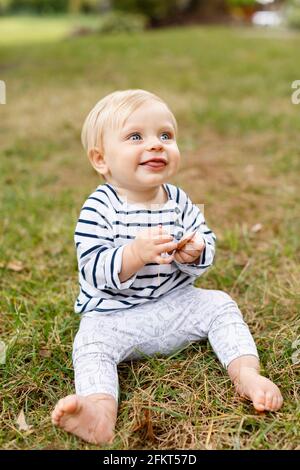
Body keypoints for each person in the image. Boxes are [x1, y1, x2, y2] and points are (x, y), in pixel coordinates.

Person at [51, 89, 283, 445]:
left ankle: (247, 374)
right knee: (90, 342)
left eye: (166, 135)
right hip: (115, 319)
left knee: (220, 303)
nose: (156, 145)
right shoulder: (99, 207)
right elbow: (92, 268)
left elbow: (204, 237)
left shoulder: (178, 199)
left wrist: (196, 250)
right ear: (101, 159)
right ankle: (99, 409)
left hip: (174, 309)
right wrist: (132, 254)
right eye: (135, 137)